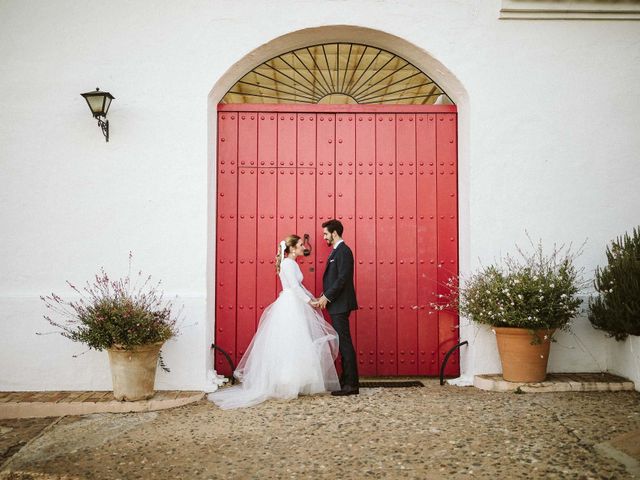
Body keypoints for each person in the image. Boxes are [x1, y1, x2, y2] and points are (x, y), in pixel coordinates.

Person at [208, 235, 340, 409]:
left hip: (296, 303)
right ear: (292, 248)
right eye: (300, 245)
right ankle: (286, 382)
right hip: (290, 304)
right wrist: (309, 302)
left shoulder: (292, 263)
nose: (303, 247)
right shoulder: (287, 264)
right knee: (288, 341)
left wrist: (312, 298)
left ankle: (297, 380)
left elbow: (300, 287)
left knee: (296, 342)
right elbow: (293, 286)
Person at [311, 219, 360, 396]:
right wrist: (325, 296)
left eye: (325, 234)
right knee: (342, 343)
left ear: (334, 233)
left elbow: (342, 279)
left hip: (340, 304)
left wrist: (327, 296)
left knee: (345, 344)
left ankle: (351, 385)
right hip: (336, 304)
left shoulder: (344, 251)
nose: (324, 237)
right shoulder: (337, 252)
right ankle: (345, 380)